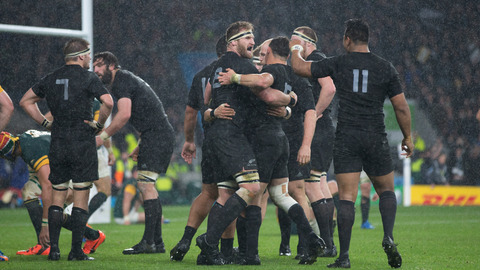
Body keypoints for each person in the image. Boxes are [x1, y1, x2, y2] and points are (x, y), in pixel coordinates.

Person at [290, 19, 414, 268]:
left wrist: (295, 48)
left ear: (347, 39)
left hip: (347, 137)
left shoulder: (339, 62)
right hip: (375, 135)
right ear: (367, 39)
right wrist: (407, 137)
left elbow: (301, 69)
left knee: (346, 198)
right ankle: (388, 237)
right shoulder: (385, 67)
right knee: (386, 191)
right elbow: (400, 106)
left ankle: (344, 256)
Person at [195, 21, 297, 266]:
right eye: (247, 37)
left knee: (226, 193)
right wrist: (290, 101)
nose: (253, 41)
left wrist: (210, 114)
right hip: (232, 136)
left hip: (217, 137)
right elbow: (267, 92)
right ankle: (208, 241)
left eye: (253, 37)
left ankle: (210, 254)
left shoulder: (214, 67)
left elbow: (205, 101)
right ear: (233, 43)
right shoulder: (242, 65)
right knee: (252, 189)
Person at [218, 36, 325, 265]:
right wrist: (289, 105)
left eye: (264, 49)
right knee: (281, 195)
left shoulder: (271, 71)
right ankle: (312, 238)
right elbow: (284, 99)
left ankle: (250, 255)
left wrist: (235, 78)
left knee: (255, 197)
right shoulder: (290, 74)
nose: (261, 53)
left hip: (264, 140)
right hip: (280, 139)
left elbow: (265, 88)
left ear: (271, 51)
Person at [20, 38, 113, 261]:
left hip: (58, 141)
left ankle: (54, 251)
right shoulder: (89, 78)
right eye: (89, 55)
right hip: (82, 141)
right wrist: (99, 125)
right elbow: (108, 102)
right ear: (81, 56)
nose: (90, 59)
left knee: (57, 196)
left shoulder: (51, 77)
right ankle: (75, 251)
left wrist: (44, 123)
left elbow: (25, 101)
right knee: (81, 195)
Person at [93, 51, 174, 255]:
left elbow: (124, 114)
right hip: (155, 134)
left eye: (99, 65)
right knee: (148, 186)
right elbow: (148, 112)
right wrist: (141, 141)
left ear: (112, 65)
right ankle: (157, 242)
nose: (95, 70)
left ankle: (149, 242)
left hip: (157, 135)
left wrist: (102, 137)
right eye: (94, 66)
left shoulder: (121, 81)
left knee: (146, 186)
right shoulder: (126, 80)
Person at [170, 35, 229, 263]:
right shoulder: (235, 72)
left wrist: (189, 140)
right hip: (231, 142)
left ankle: (185, 239)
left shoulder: (200, 74)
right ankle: (222, 249)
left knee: (208, 193)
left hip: (209, 141)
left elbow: (190, 111)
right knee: (229, 195)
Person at [0, 130, 106, 256]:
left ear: (6, 151)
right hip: (71, 163)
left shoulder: (30, 148)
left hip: (75, 168)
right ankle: (91, 236)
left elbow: (48, 186)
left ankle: (48, 244)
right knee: (33, 194)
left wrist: (45, 225)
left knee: (54, 212)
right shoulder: (25, 140)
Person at [290, 26, 338, 258]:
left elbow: (329, 88)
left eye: (295, 42)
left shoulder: (316, 60)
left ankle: (327, 243)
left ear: (308, 43)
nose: (292, 48)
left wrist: (315, 112)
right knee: (319, 183)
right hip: (326, 130)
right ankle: (329, 243)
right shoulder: (319, 60)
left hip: (320, 129)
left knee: (310, 185)